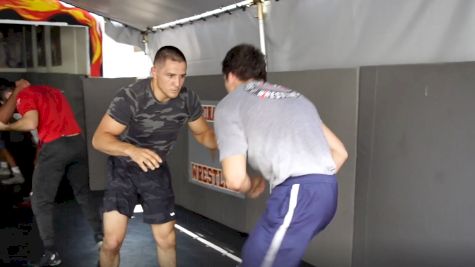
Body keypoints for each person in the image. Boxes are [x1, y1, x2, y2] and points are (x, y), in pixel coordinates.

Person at [214, 44, 348, 267]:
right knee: (258, 256)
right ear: (261, 75)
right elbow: (341, 153)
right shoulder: (298, 98)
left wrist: (252, 185)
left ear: (230, 76)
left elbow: (235, 179)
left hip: (297, 195)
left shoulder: (230, 104)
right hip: (326, 192)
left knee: (259, 261)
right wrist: (313, 184)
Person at [92, 45, 217, 267]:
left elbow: (203, 133)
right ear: (154, 72)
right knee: (112, 242)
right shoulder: (131, 96)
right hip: (123, 170)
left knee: (167, 240)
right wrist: (131, 150)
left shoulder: (187, 99)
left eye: (182, 76)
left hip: (155, 169)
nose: (177, 83)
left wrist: (230, 146)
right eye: (170, 76)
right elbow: (100, 138)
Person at [0, 78, 103, 267]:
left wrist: (7, 126)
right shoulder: (50, 90)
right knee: (83, 193)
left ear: (8, 94)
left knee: (40, 200)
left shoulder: (23, 94)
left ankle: (51, 252)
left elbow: (30, 123)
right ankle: (101, 237)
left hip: (57, 146)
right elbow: (51, 120)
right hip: (77, 142)